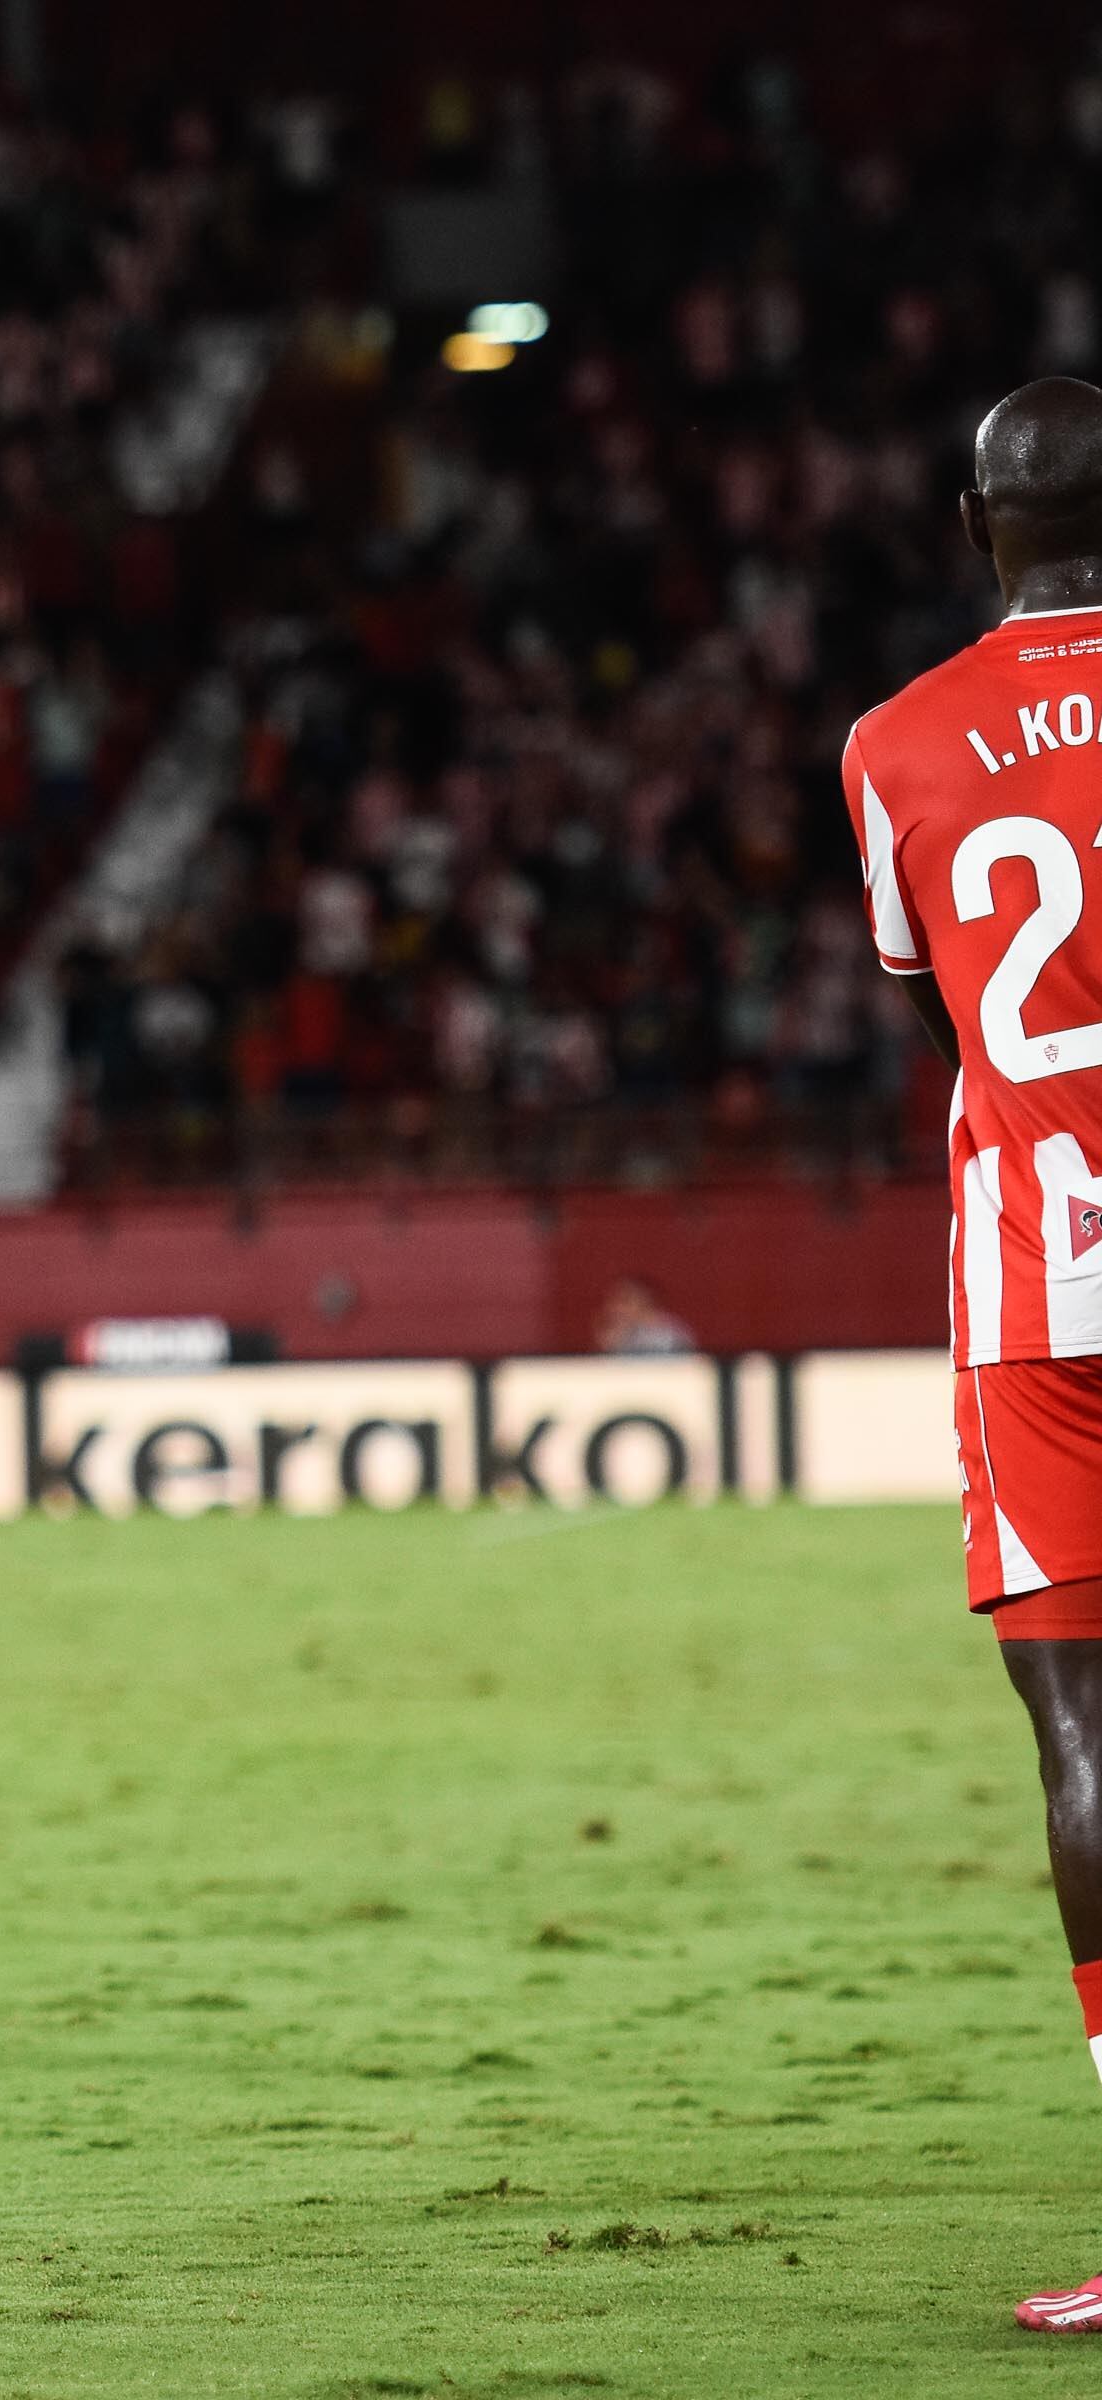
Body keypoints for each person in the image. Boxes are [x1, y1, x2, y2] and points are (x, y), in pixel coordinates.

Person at [840, 375, 1102, 2333]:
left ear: (971, 525)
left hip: (1045, 1290)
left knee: (1086, 1734)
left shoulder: (895, 743)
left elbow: (940, 1009)